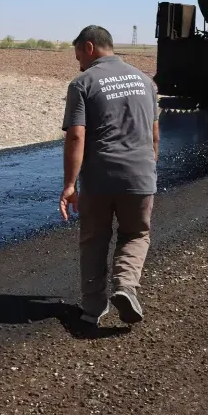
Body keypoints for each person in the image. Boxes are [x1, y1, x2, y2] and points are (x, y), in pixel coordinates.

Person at [60, 25, 160, 326]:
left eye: (79, 55)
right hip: (140, 175)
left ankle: (93, 309)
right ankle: (125, 286)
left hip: (100, 177)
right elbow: (155, 134)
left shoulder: (82, 83)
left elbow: (77, 136)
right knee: (136, 234)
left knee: (94, 239)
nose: (79, 63)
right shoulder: (146, 82)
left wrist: (69, 185)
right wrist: (147, 168)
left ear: (89, 47)